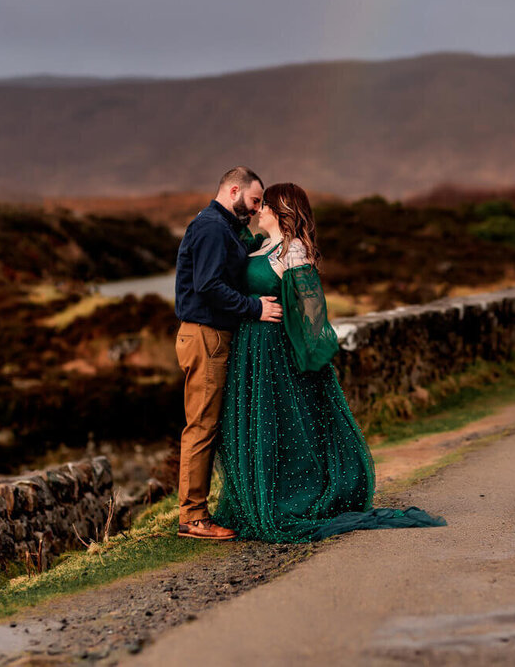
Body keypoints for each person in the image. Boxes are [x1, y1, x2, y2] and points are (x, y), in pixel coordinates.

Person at [213, 183, 445, 542]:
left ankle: (293, 498)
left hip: (275, 349)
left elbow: (311, 309)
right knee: (255, 423)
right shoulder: (260, 246)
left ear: (280, 210)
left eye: (264, 206)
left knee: (285, 423)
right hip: (249, 348)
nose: (258, 211)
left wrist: (306, 351)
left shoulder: (294, 250)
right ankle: (255, 496)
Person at [174, 167, 282, 540]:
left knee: (208, 424)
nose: (255, 210)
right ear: (233, 190)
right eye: (254, 201)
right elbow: (207, 286)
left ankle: (198, 511)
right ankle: (193, 518)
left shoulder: (226, 229)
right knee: (201, 426)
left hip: (213, 336)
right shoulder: (210, 228)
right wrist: (255, 309)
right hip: (204, 336)